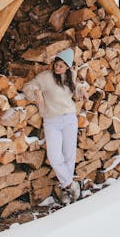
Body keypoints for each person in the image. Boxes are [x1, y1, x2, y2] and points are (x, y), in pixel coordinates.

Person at [22, 47, 87, 205]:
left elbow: (75, 88)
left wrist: (81, 90)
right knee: (55, 157)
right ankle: (72, 184)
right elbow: (28, 86)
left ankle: (67, 191)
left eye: (61, 66)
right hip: (52, 121)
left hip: (70, 119)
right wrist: (36, 92)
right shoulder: (45, 77)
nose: (58, 68)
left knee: (69, 156)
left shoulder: (70, 76)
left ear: (68, 67)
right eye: (56, 65)